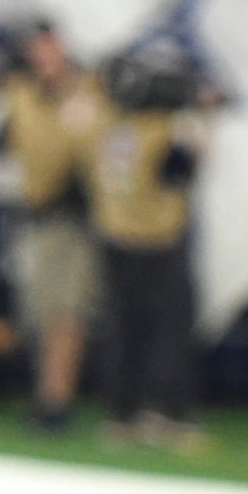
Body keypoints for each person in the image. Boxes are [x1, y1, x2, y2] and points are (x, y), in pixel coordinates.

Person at [90, 40, 206, 446]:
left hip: (116, 236)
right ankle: (162, 413)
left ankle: (123, 413)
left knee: (125, 329)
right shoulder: (163, 127)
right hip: (156, 238)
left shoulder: (108, 122)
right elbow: (178, 174)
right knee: (166, 329)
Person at [0, 22, 102, 429]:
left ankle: (57, 401)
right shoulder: (25, 96)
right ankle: (46, 395)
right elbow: (14, 151)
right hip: (40, 215)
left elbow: (87, 150)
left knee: (67, 313)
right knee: (41, 312)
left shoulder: (86, 92)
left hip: (77, 218)